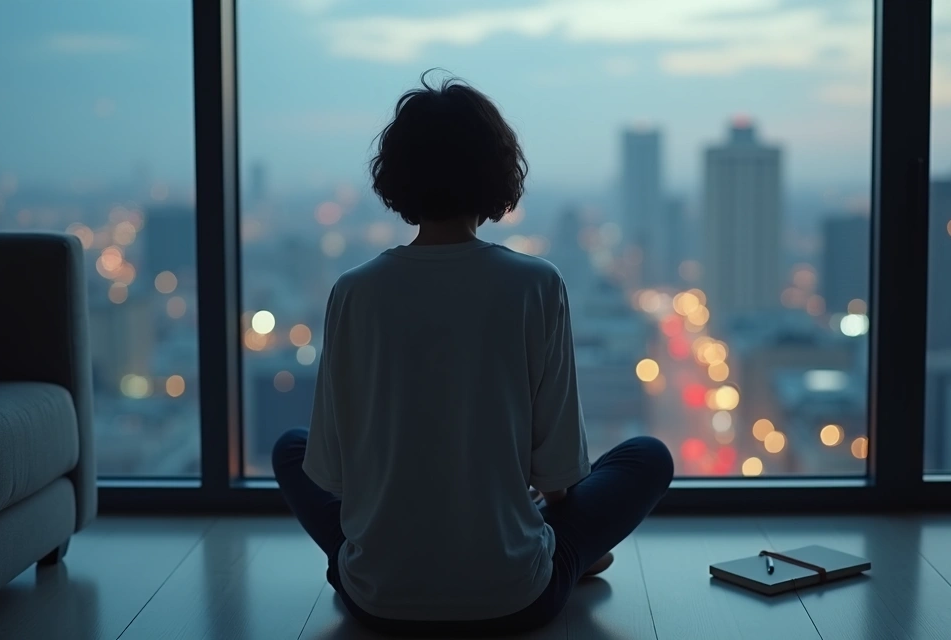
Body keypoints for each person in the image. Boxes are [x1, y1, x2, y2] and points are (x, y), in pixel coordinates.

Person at [271, 72, 674, 637]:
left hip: (378, 597)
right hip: (514, 597)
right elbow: (558, 477)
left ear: (396, 177)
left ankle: (415, 558)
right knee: (648, 459)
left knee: (291, 450)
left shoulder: (355, 291)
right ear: (499, 174)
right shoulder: (536, 284)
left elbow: (333, 477)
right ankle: (566, 554)